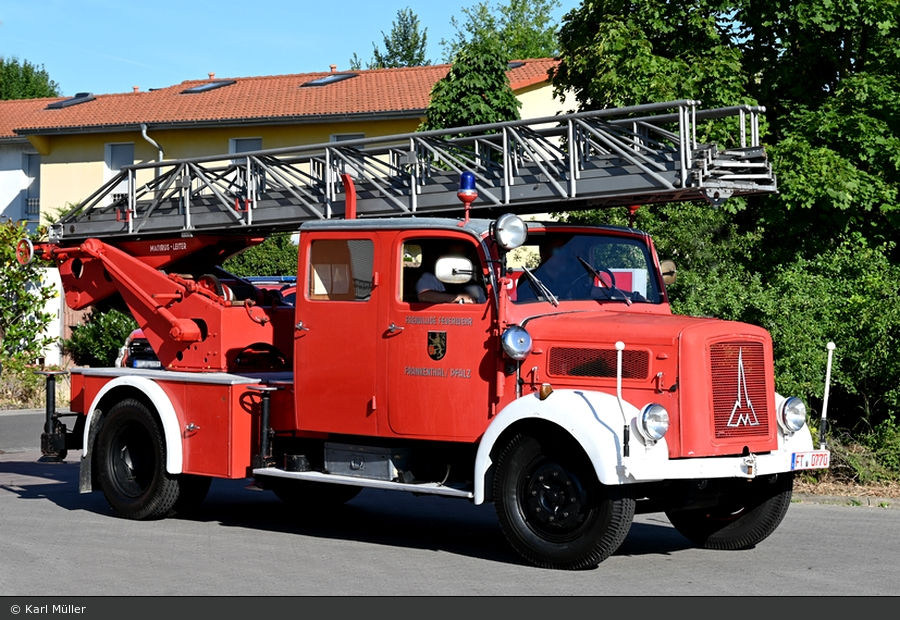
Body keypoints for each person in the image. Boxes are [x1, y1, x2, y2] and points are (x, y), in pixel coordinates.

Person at [416, 242, 486, 304]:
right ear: (442, 257)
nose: (459, 259)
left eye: (463, 255)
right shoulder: (430, 278)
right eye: (454, 254)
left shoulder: (473, 286)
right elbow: (424, 296)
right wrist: (459, 298)